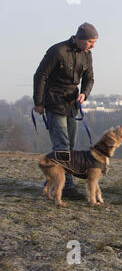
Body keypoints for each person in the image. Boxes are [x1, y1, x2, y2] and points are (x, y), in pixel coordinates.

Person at [33, 22, 98, 199]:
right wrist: (38, 102)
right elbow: (40, 75)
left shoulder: (87, 55)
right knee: (61, 146)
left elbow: (89, 78)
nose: (93, 46)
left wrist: (84, 94)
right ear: (81, 39)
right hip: (54, 102)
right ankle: (67, 187)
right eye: (91, 42)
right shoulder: (57, 51)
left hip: (72, 104)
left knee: (70, 146)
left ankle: (52, 180)